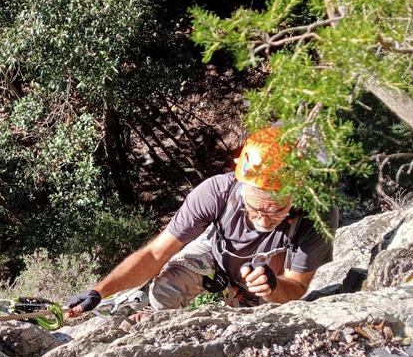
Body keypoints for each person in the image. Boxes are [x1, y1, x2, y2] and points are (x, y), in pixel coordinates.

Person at [66, 127, 337, 318]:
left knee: (258, 328)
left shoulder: (316, 216)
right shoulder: (217, 193)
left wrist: (274, 287)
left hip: (268, 281)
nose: (264, 219)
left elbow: (297, 286)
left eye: (277, 210)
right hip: (216, 257)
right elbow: (155, 253)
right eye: (255, 208)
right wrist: (99, 291)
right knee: (164, 292)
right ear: (240, 184)